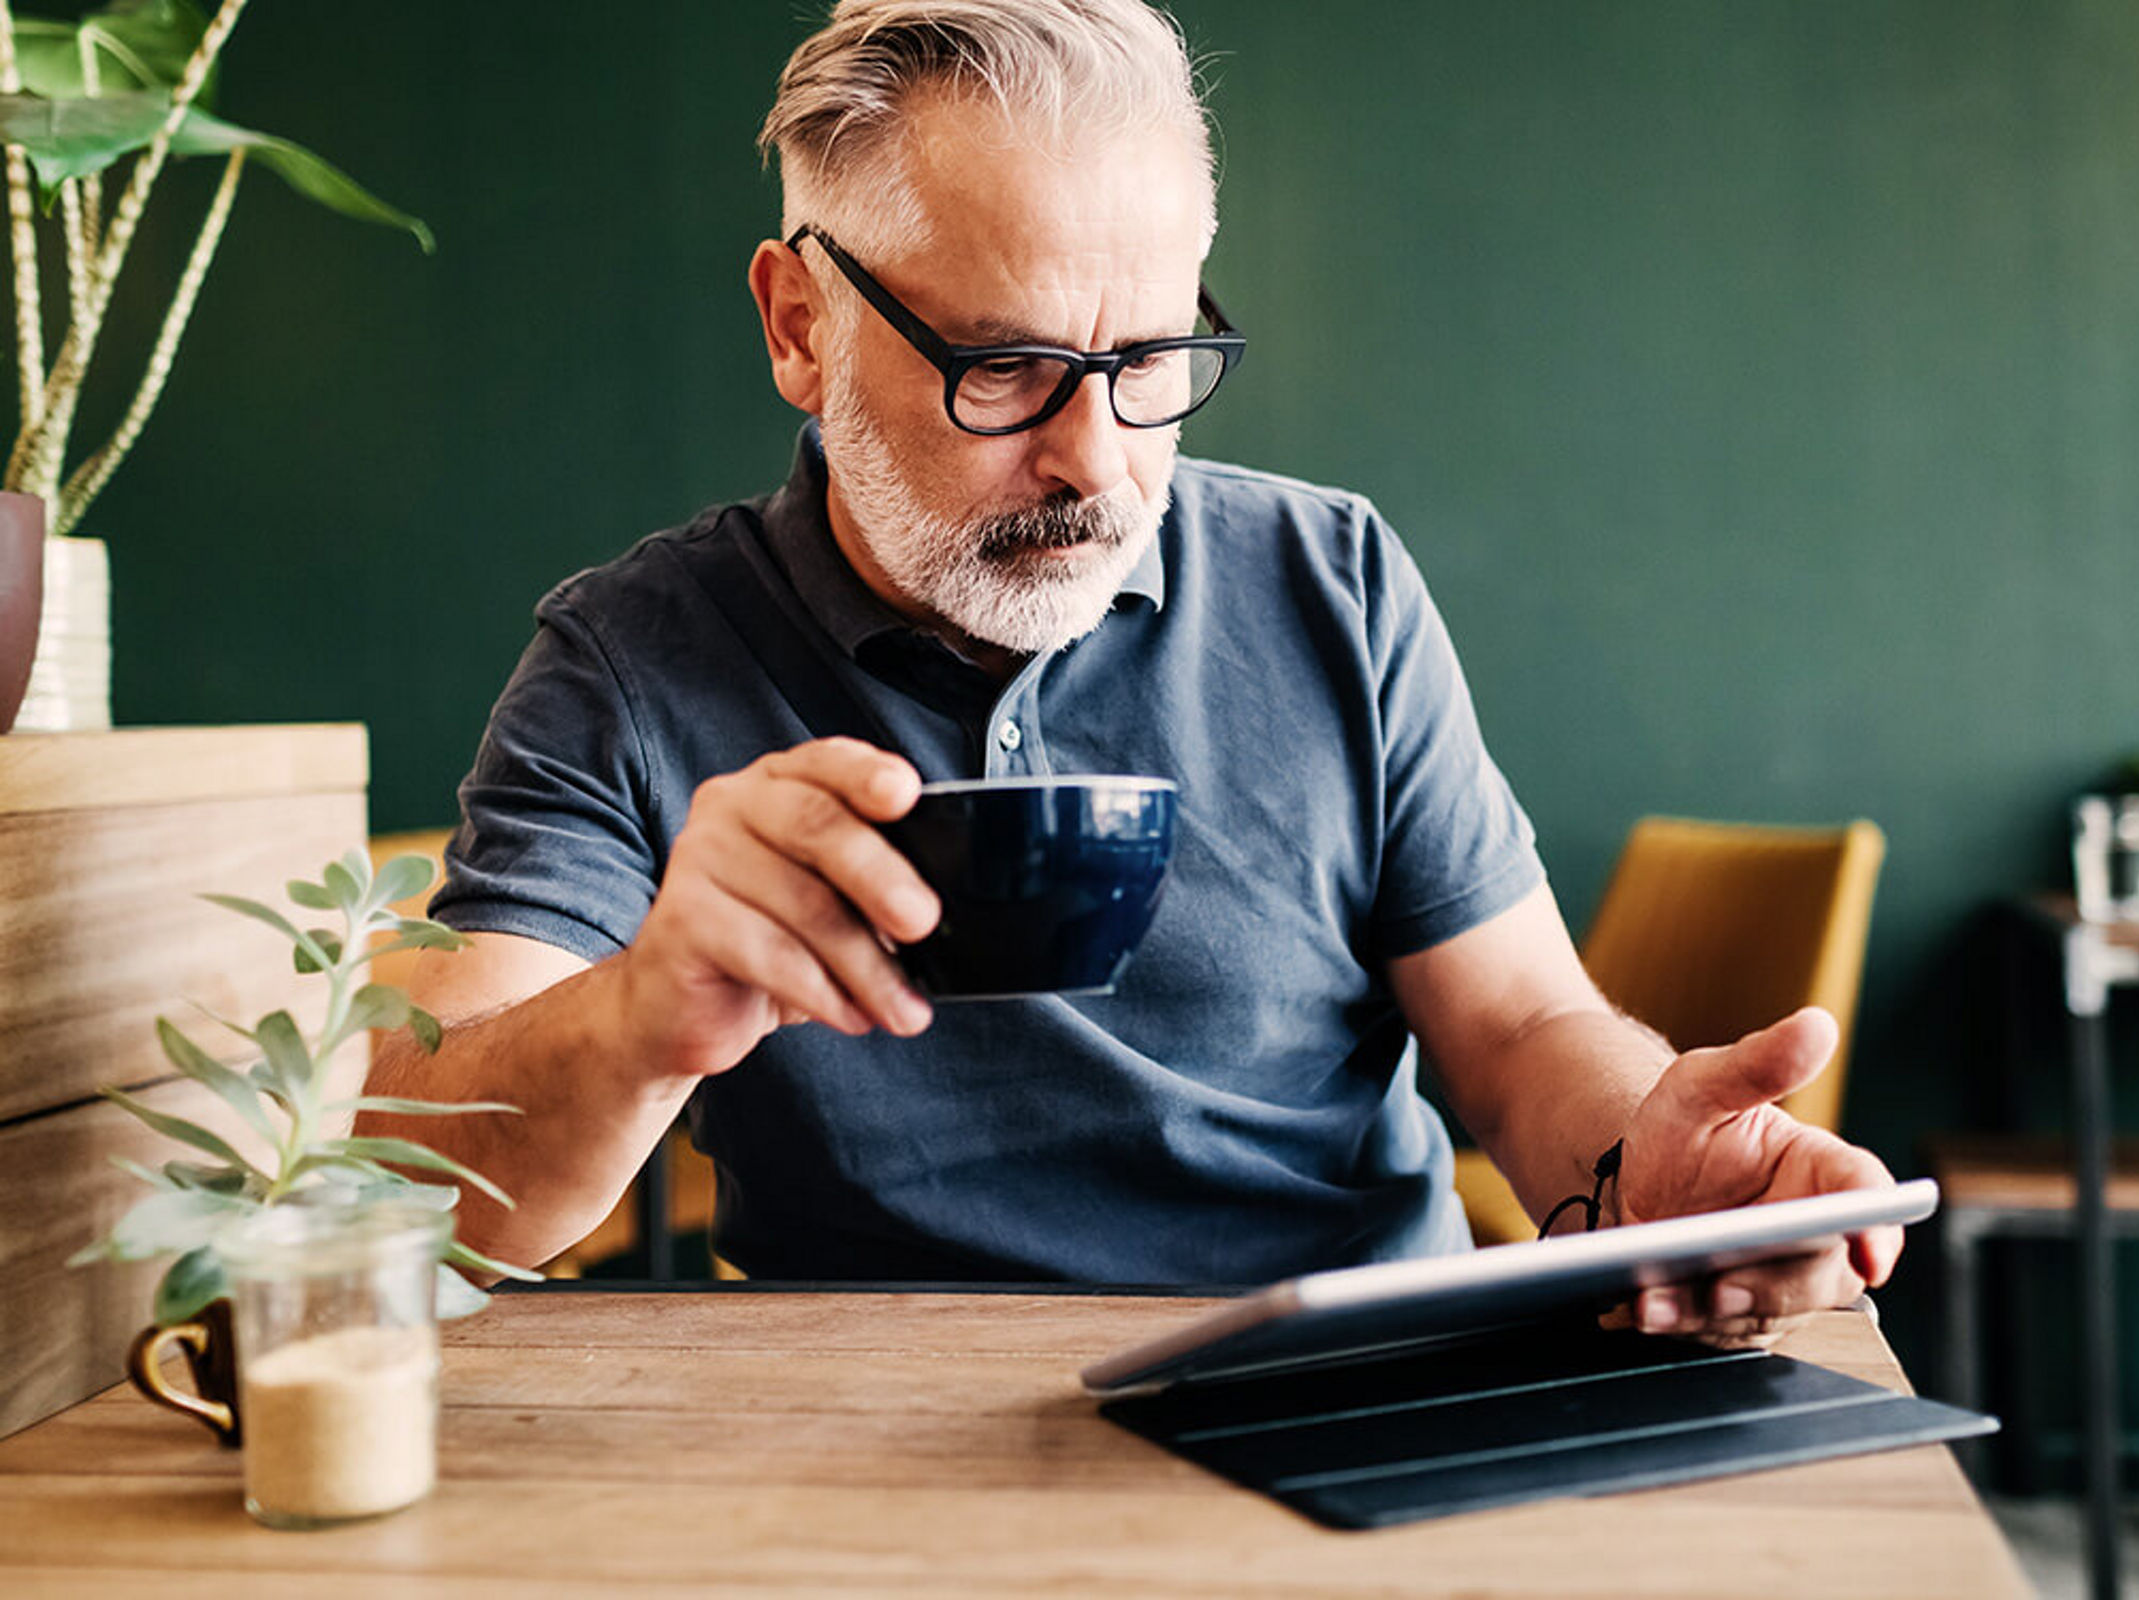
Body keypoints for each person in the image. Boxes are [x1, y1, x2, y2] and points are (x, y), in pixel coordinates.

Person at [365, 0, 1900, 1344]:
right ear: (799, 326)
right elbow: (429, 1195)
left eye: (1150, 360)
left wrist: (1642, 1162)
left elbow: (1515, 1031)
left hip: (1348, 1373)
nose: (1096, 460)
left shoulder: (1332, 582)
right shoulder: (633, 661)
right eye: (1008, 367)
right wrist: (648, 1014)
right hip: (869, 1437)